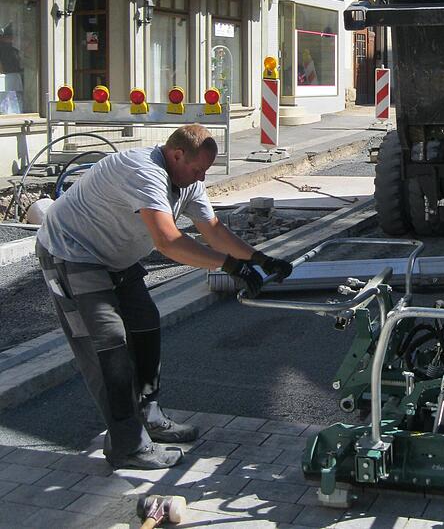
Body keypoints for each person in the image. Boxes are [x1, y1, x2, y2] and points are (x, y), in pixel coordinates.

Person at [35, 124, 293, 470]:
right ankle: (128, 447)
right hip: (71, 252)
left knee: (145, 324)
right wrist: (232, 267)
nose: (201, 178)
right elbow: (169, 242)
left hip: (115, 258)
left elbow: (213, 230)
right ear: (176, 155)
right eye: (197, 169)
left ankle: (149, 416)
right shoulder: (144, 171)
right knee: (109, 345)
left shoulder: (187, 181)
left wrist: (260, 259)